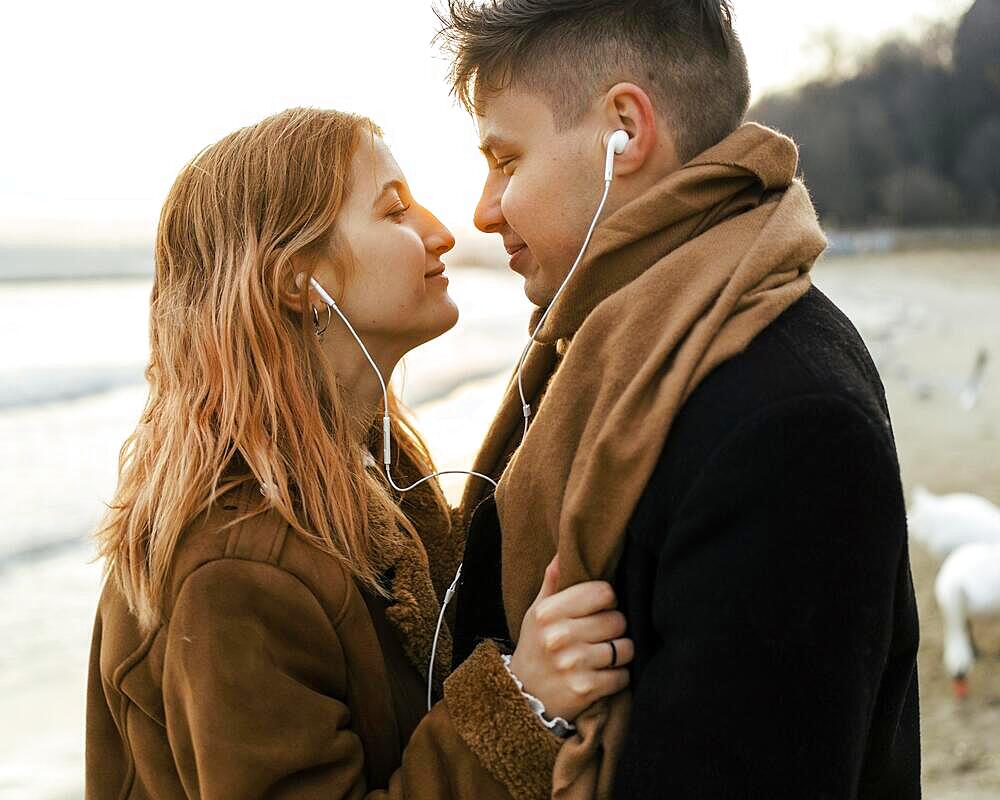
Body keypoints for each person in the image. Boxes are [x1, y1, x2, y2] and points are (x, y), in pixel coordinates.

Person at [436, 1, 922, 797]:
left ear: (625, 129)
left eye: (507, 160)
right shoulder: (607, 350)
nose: (484, 210)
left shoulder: (787, 416)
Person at [85, 107, 634, 800]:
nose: (441, 233)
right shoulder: (236, 566)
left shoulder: (375, 466)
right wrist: (524, 706)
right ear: (299, 280)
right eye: (395, 211)